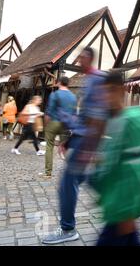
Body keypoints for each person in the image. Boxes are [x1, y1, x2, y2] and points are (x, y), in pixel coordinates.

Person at [42, 47, 108, 245]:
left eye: (82, 58)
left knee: (67, 184)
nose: (79, 61)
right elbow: (84, 116)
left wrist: (87, 147)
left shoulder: (97, 79)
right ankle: (117, 201)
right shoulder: (89, 81)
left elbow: (98, 117)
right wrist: (68, 140)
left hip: (86, 141)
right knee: (85, 179)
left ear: (89, 58)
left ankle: (68, 228)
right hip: (81, 138)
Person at [89, 70, 140, 246]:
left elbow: (139, 164)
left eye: (111, 90)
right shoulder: (112, 122)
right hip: (115, 206)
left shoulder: (133, 120)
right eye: (104, 92)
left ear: (121, 91)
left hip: (123, 208)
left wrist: (129, 212)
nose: (106, 97)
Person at [43, 76, 77, 178]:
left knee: (49, 146)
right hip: (66, 124)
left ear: (60, 83)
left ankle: (48, 173)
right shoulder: (73, 96)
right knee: (66, 148)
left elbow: (49, 111)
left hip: (54, 122)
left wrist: (46, 124)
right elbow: (74, 114)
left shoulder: (55, 94)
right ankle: (71, 172)